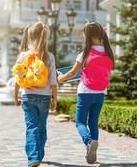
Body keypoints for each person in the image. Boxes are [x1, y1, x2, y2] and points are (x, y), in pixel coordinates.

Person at [58, 22, 114, 164]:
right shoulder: (108, 53)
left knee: (80, 122)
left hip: (85, 92)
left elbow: (72, 72)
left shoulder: (85, 53)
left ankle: (89, 142)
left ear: (87, 36)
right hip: (101, 93)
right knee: (93, 122)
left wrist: (60, 78)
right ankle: (92, 148)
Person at [14, 22, 58, 167]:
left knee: (31, 126)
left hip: (27, 96)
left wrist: (16, 95)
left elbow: (18, 78)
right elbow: (53, 81)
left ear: (29, 36)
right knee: (41, 127)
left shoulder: (23, 55)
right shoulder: (49, 56)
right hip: (44, 97)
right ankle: (38, 154)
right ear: (45, 37)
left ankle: (33, 157)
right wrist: (55, 99)